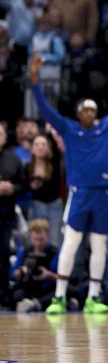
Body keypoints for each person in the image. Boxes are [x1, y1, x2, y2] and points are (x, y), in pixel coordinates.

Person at [30, 46, 108, 315]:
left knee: (99, 247)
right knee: (70, 245)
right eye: (85, 109)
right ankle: (58, 297)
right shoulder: (69, 129)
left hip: (103, 194)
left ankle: (93, 297)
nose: (90, 113)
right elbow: (46, 112)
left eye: (93, 110)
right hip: (79, 194)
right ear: (78, 112)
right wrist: (35, 80)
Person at [0, 124, 25, 307]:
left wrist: (12, 188)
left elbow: (23, 185)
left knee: (3, 254)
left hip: (5, 215)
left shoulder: (13, 159)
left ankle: (4, 296)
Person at [11, 219, 58, 312]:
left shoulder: (55, 252)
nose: (38, 243)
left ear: (47, 236)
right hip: (28, 287)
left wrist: (49, 275)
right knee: (16, 295)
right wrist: (20, 272)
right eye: (35, 239)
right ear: (30, 236)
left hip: (47, 288)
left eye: (41, 239)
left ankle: (36, 303)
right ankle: (37, 304)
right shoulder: (24, 250)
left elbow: (62, 278)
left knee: (61, 293)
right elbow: (12, 274)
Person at [26, 134, 63, 248]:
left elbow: (57, 148)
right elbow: (22, 186)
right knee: (35, 239)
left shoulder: (55, 163)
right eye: (37, 144)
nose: (40, 147)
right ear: (32, 148)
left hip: (54, 205)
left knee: (54, 240)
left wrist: (51, 131)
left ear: (48, 148)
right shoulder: (28, 166)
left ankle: (52, 265)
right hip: (37, 204)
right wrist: (31, 185)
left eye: (43, 144)